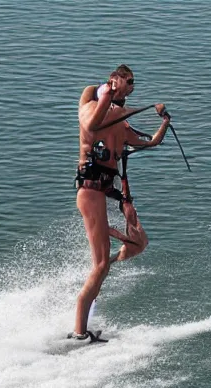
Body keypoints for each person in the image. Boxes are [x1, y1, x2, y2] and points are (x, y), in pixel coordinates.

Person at [71, 65, 171, 342]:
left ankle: (99, 272)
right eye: (125, 85)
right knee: (101, 266)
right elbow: (92, 124)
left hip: (106, 191)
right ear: (111, 87)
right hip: (90, 191)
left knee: (138, 244)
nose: (129, 90)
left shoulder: (120, 123)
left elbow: (149, 142)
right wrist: (109, 92)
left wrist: (164, 121)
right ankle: (79, 333)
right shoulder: (91, 109)